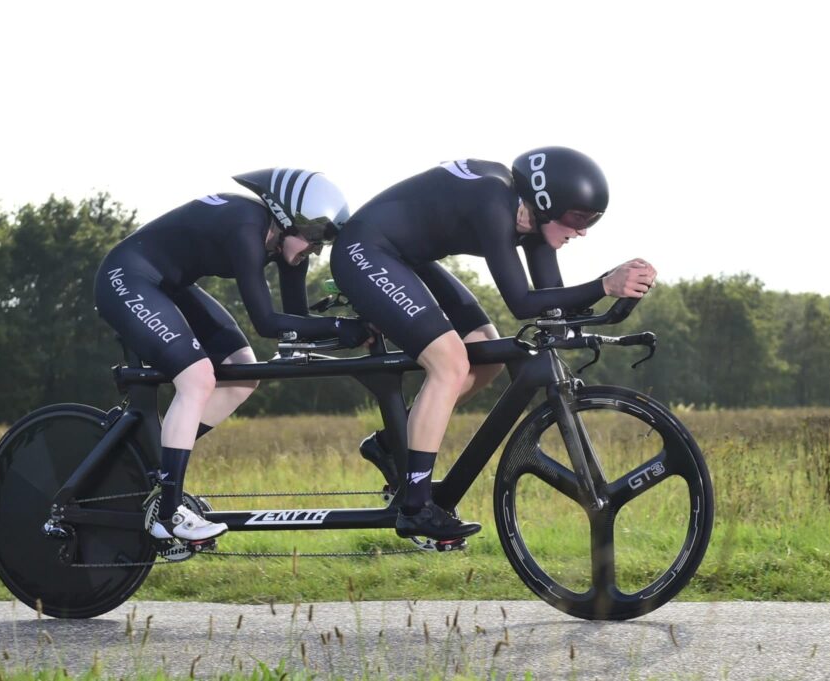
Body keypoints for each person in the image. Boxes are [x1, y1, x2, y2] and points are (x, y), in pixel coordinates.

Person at [330, 147, 657, 540]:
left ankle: (390, 444)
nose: (583, 230)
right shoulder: (492, 201)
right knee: (450, 362)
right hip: (364, 251)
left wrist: (615, 293)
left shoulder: (535, 222)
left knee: (485, 353)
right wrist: (604, 284)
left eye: (591, 220)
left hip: (407, 257)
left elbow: (551, 297)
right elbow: (521, 303)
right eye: (577, 218)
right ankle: (415, 507)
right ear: (544, 204)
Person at [94, 168, 371, 543]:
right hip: (127, 277)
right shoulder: (246, 228)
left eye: (324, 242)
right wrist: (341, 329)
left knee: (244, 371)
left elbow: (296, 323)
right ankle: (169, 512)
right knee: (197, 379)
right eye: (315, 237)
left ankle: (156, 462)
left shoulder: (287, 248)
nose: (317, 249)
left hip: (169, 285)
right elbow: (267, 322)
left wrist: (353, 325)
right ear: (287, 218)